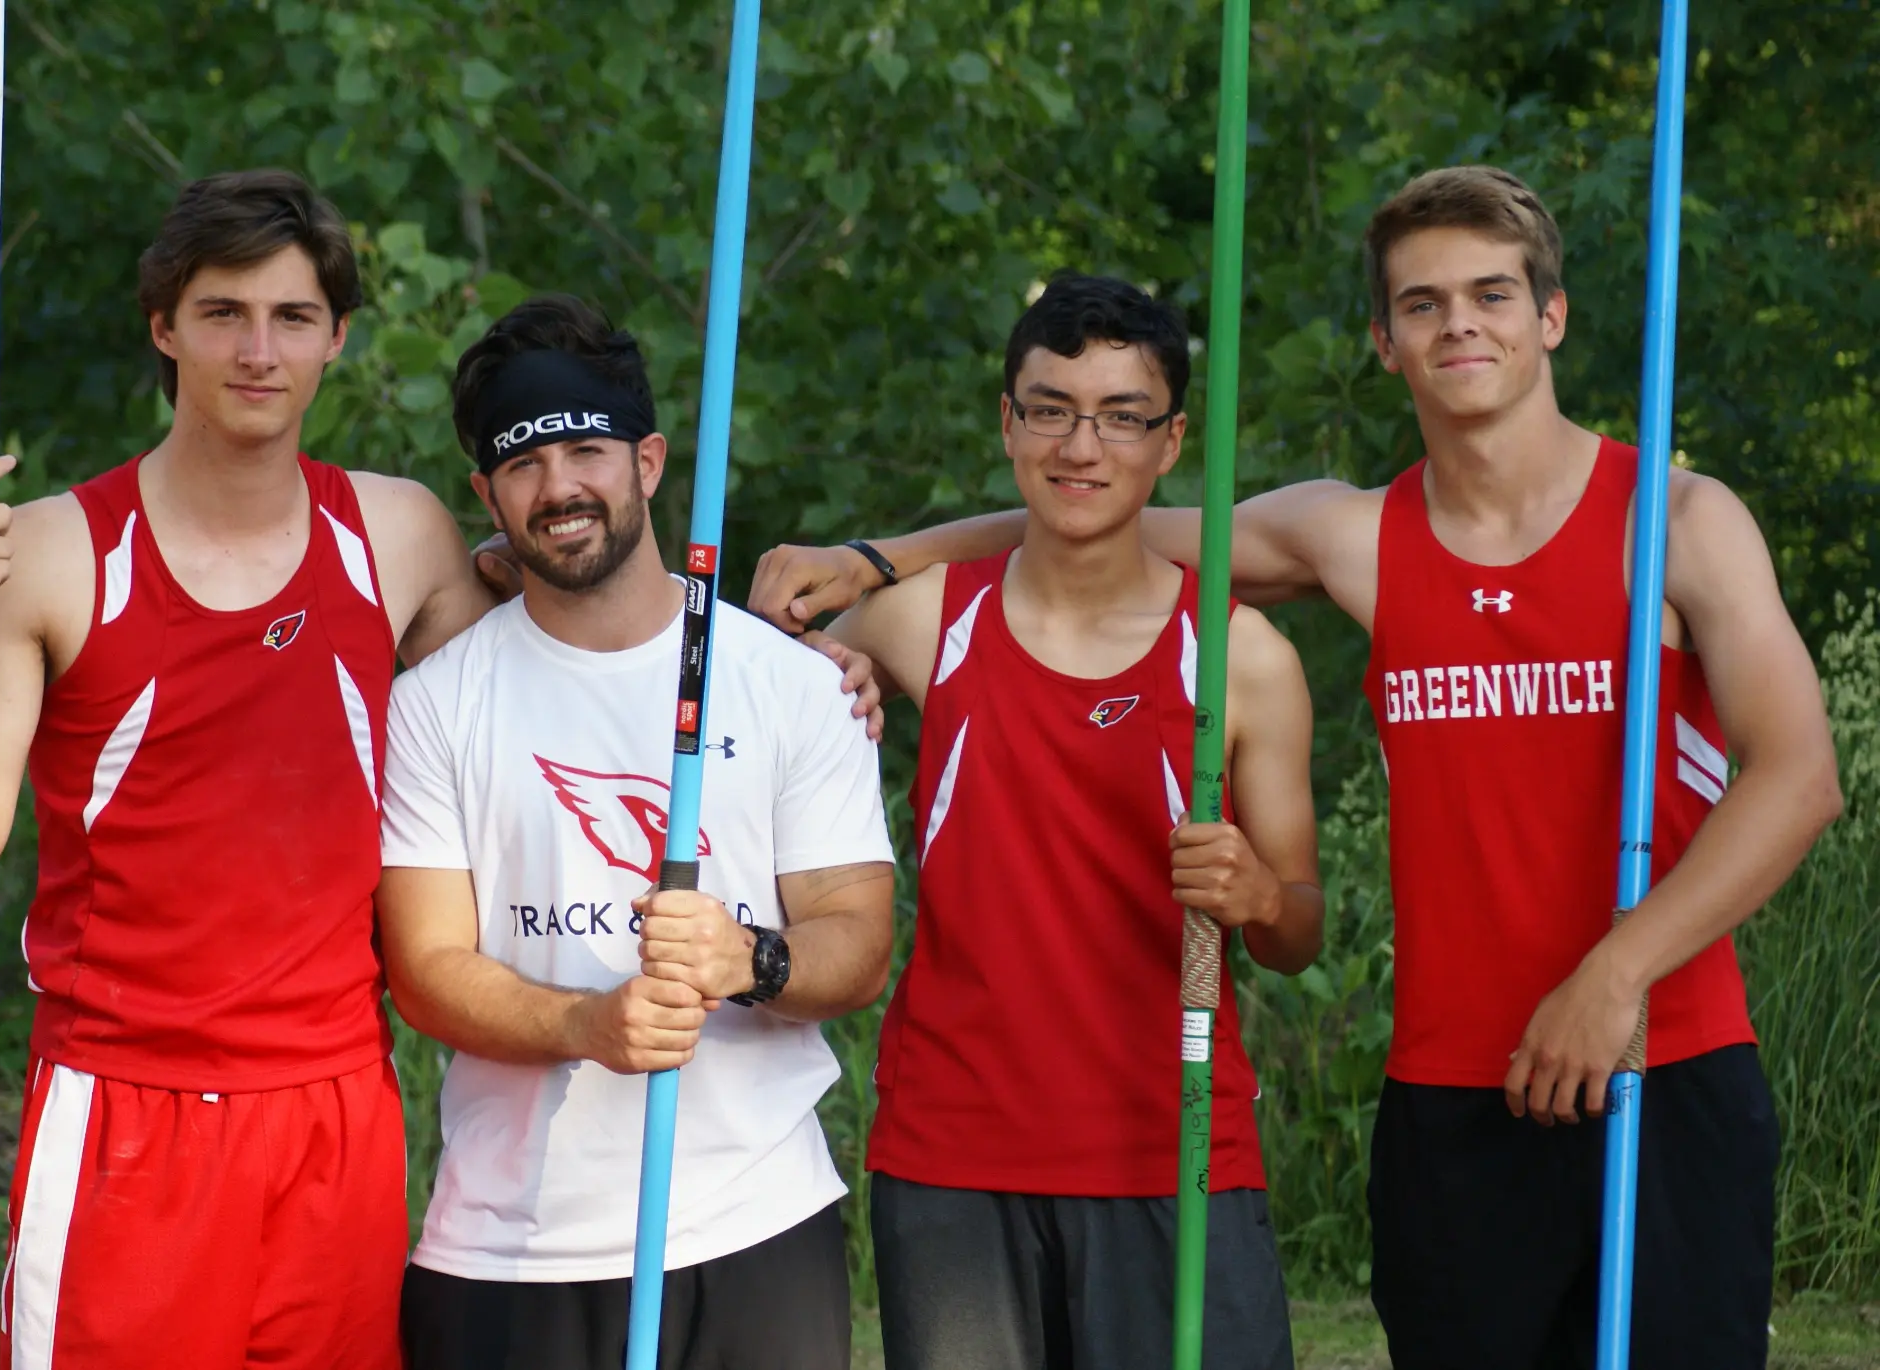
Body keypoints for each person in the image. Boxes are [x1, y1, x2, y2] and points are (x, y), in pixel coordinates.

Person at [749, 167, 1844, 1370]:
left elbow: (1794, 776)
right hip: (1451, 1085)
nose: (1457, 323)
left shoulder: (1675, 521)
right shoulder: (1356, 535)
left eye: (1490, 293)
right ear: (1383, 340)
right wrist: (873, 560)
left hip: (1654, 1055)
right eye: (1420, 303)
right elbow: (1088, 515)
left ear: (1551, 316)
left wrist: (1615, 971)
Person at [0, 169, 881, 1370]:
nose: (259, 350)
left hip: (334, 1110)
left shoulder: (395, 533)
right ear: (164, 325)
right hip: (128, 1102)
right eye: (223, 313)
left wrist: (783, 661)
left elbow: (570, 647)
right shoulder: (54, 550)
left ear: (336, 338)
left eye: (292, 318)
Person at [373, 293, 897, 1370]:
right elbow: (423, 968)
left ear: (648, 462)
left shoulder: (791, 684)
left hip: (750, 1228)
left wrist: (748, 956)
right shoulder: (434, 701)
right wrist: (587, 1025)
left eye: (585, 450)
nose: (558, 487)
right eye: (522, 464)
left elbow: (859, 943)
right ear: (486, 492)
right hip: (508, 1247)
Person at [810, 274, 1323, 1370]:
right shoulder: (915, 623)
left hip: (1173, 1145)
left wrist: (1256, 896)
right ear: (1008, 423)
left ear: (1169, 439)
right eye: (1049, 408)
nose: (1080, 445)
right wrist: (820, 655)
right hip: (955, 1150)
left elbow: (1297, 931)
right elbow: (757, 691)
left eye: (1120, 416)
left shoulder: (1242, 660)